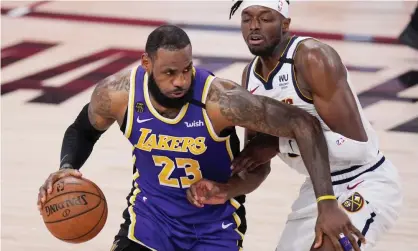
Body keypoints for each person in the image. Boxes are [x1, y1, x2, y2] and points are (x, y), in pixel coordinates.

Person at [37, 24, 337, 251]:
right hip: (149, 222)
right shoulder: (118, 95)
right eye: (169, 72)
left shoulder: (222, 101)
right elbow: (83, 130)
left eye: (186, 69)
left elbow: (302, 125)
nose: (180, 81)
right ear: (146, 64)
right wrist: (67, 166)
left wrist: (326, 202)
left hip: (214, 228)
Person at [190, 1, 401, 251]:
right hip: (317, 186)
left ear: (285, 24)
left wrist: (278, 142)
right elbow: (257, 165)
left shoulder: (312, 57)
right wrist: (227, 189)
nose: (254, 27)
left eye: (265, 18)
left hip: (365, 180)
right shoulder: (251, 76)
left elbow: (358, 149)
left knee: (331, 246)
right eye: (247, 19)